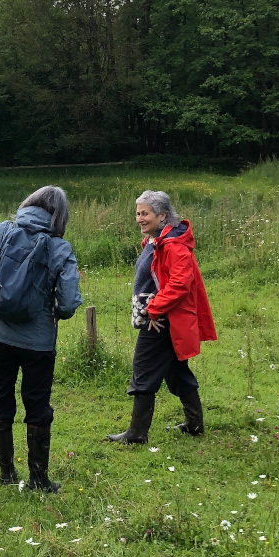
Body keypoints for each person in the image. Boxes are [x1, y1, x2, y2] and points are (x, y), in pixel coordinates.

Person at [0, 186, 82, 493]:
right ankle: (38, 479)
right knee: (37, 404)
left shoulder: (3, 232)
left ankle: (6, 473)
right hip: (39, 341)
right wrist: (55, 311)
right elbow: (70, 303)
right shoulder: (60, 248)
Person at [108, 189, 217, 445]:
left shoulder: (174, 245)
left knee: (143, 369)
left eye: (145, 213)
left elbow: (180, 283)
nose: (139, 218)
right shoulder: (158, 240)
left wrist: (154, 309)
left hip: (163, 319)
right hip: (161, 316)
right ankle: (194, 424)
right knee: (176, 370)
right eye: (137, 213)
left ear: (162, 215)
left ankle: (136, 434)